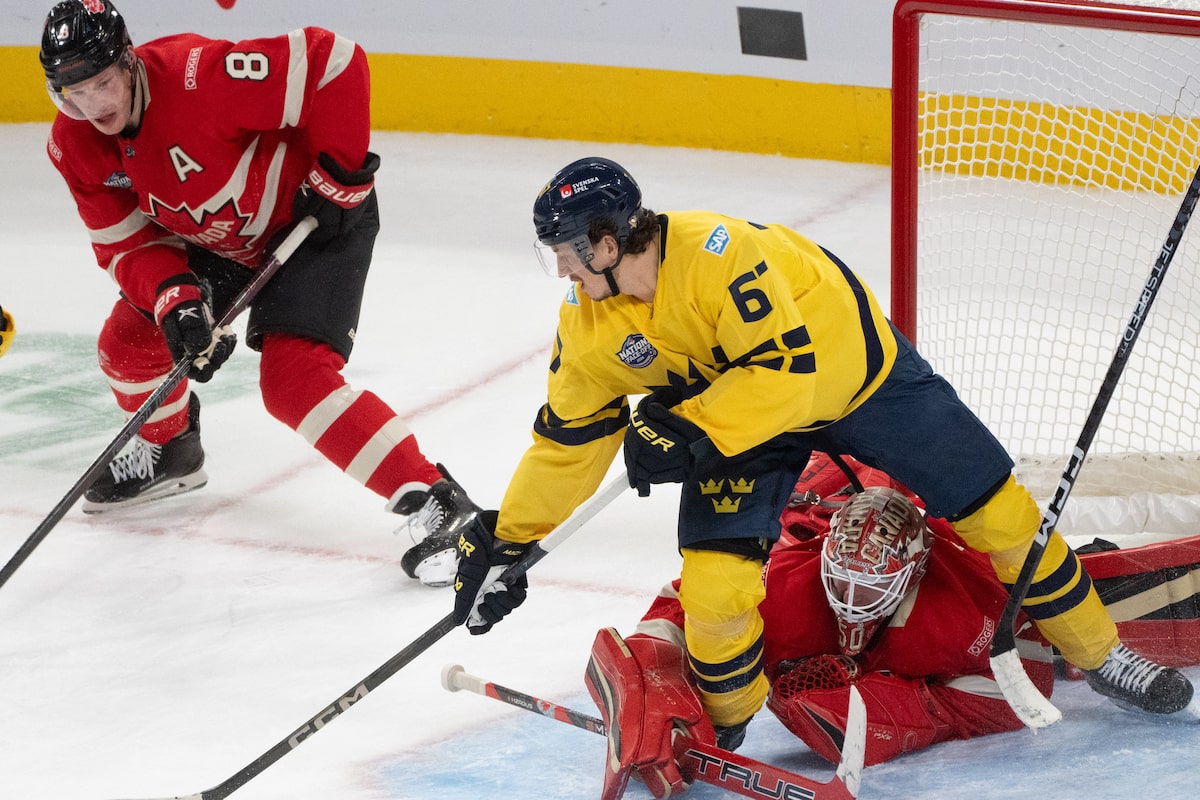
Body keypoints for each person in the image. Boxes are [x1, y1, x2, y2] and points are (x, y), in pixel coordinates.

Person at [451, 156, 1193, 742]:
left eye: (570, 253)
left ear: (609, 242)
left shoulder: (720, 256)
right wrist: (508, 536)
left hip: (860, 382)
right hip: (742, 420)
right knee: (714, 585)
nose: (563, 273)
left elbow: (791, 374)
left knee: (1001, 515)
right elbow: (568, 442)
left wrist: (689, 427)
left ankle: (1100, 654)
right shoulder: (589, 324)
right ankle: (728, 721)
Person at [39, 0, 476, 585]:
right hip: (219, 246)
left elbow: (334, 62)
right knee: (128, 345)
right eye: (75, 93)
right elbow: (127, 247)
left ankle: (438, 501)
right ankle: (171, 451)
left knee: (293, 383)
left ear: (128, 62)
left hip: (314, 224)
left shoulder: (199, 76)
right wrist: (178, 304)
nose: (94, 105)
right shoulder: (76, 146)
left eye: (102, 82)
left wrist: (341, 172)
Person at [582, 452, 1057, 797]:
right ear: (825, 556)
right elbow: (685, 602)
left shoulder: (961, 607)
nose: (851, 603)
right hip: (831, 492)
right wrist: (655, 667)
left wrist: (894, 696)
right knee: (786, 512)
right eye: (841, 581)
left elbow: (1028, 681)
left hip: (922, 497)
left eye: (869, 589)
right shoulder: (793, 583)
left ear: (913, 575)